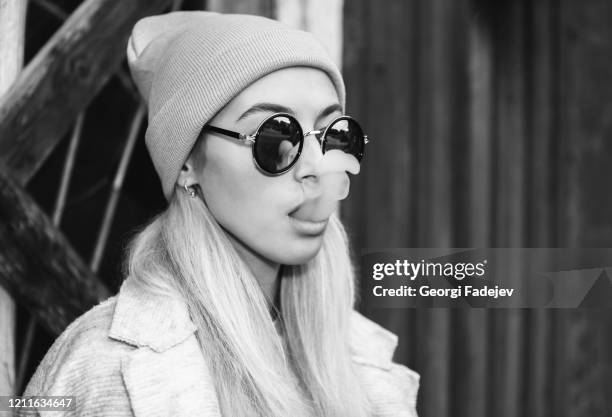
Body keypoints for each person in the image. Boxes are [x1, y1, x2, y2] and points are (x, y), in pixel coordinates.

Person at [23, 11, 419, 417]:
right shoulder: (105, 368)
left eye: (335, 136)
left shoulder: (365, 363)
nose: (317, 167)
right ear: (187, 164)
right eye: (276, 138)